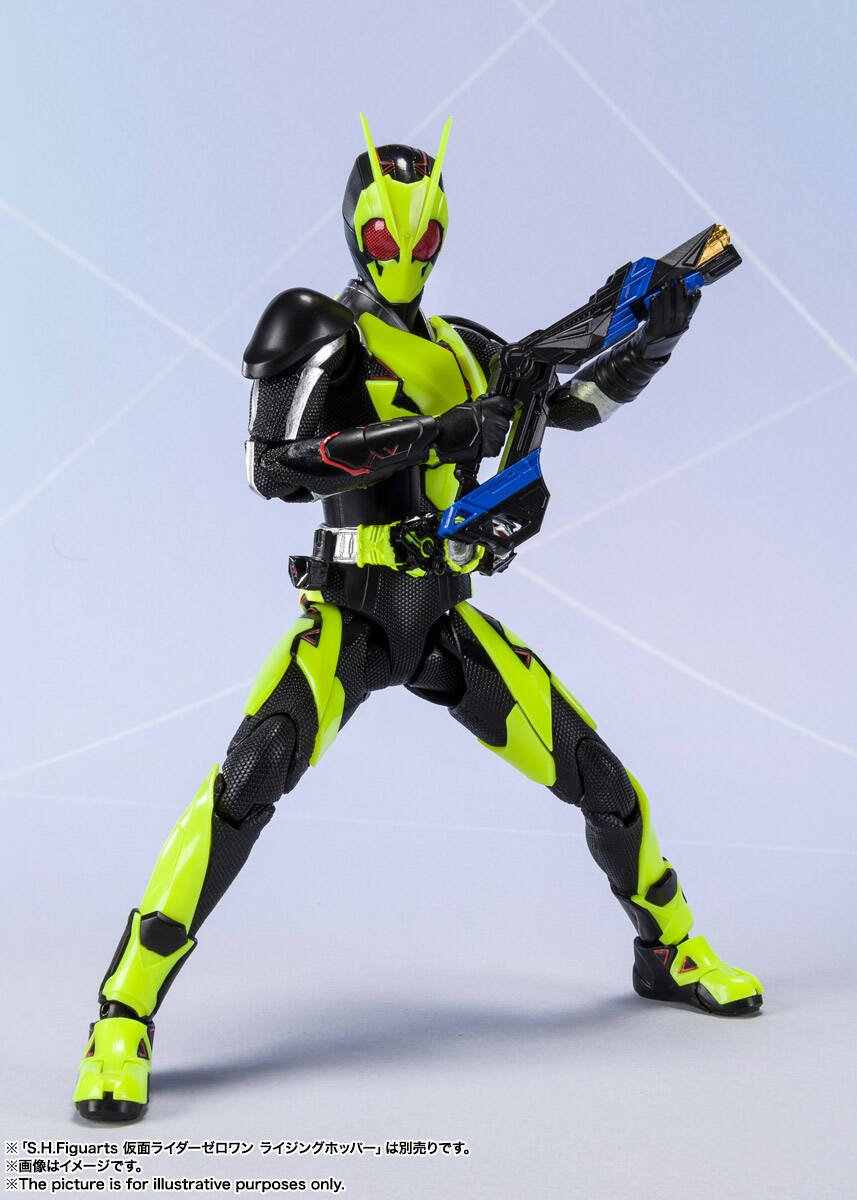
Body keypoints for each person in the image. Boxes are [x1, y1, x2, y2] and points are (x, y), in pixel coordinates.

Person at [74, 117, 761, 1122]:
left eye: (421, 234)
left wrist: (656, 334)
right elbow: (274, 467)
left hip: (442, 613)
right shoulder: (316, 325)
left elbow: (570, 406)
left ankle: (668, 948)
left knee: (602, 784)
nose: (403, 251)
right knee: (239, 792)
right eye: (384, 234)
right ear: (355, 229)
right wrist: (429, 435)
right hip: (350, 614)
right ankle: (122, 1017)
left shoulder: (466, 348)